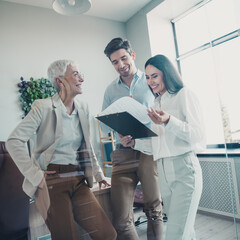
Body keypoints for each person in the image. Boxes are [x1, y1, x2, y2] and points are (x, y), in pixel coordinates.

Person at [6, 59, 117, 240]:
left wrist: (98, 175)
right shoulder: (42, 107)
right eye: (75, 74)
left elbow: (86, 146)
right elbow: (13, 141)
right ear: (60, 81)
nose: (81, 78)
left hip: (78, 177)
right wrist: (35, 174)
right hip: (52, 181)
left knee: (107, 234)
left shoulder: (83, 107)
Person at [120, 54, 206, 240]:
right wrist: (134, 142)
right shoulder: (156, 103)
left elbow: (198, 135)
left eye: (155, 76)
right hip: (164, 172)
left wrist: (168, 120)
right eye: (148, 77)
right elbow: (157, 145)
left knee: (175, 233)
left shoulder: (185, 94)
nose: (150, 81)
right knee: (185, 232)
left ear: (166, 74)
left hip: (185, 170)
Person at [102, 38, 163, 240]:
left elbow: (163, 113)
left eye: (123, 58)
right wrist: (118, 130)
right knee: (120, 218)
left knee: (154, 209)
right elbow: (104, 123)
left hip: (148, 150)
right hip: (123, 151)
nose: (120, 65)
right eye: (114, 62)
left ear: (132, 55)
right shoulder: (110, 90)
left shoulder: (150, 82)